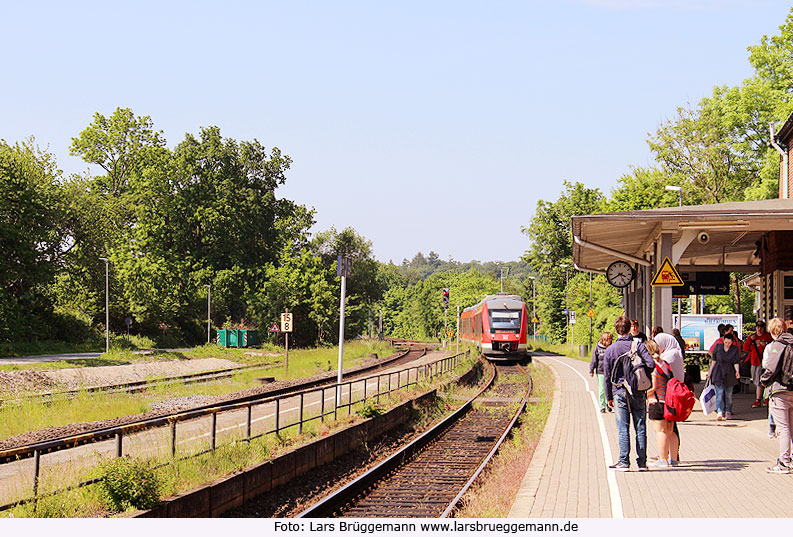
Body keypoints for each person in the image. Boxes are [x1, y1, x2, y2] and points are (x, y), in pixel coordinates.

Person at [604, 315, 655, 471]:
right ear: (629, 329)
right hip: (638, 391)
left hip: (619, 391)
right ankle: (642, 463)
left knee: (623, 428)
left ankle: (624, 462)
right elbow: (651, 364)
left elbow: (607, 376)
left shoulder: (610, 350)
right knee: (640, 426)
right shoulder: (638, 345)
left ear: (616, 330)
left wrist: (609, 397)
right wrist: (641, 375)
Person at [760, 317, 793, 473]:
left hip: (780, 390)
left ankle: (784, 462)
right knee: (791, 427)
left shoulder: (776, 345)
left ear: (772, 331)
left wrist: (763, 381)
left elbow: (770, 367)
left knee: (784, 428)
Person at [645, 339, 679, 468]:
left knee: (661, 431)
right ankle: (674, 459)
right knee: (671, 431)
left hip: (657, 401)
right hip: (670, 401)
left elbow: (653, 387)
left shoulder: (652, 365)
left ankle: (663, 459)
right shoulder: (664, 363)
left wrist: (644, 394)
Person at [707, 333, 740, 420]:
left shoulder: (735, 349)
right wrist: (710, 373)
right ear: (723, 341)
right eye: (726, 342)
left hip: (730, 373)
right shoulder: (718, 347)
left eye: (729, 343)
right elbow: (713, 361)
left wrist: (737, 372)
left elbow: (736, 362)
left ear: (732, 342)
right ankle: (719, 411)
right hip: (718, 372)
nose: (727, 344)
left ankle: (728, 410)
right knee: (719, 393)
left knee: (728, 395)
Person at [743, 320, 773, 408]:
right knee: (757, 382)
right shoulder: (752, 337)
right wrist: (749, 340)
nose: (759, 329)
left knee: (763, 381)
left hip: (764, 362)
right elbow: (745, 348)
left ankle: (761, 399)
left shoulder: (768, 337)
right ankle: (760, 398)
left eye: (761, 327)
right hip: (754, 362)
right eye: (757, 327)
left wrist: (765, 345)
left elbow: (773, 349)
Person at [589, 332, 613, 413]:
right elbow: (594, 360)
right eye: (609, 340)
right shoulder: (598, 348)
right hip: (601, 371)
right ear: (604, 340)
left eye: (611, 339)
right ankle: (602, 406)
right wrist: (591, 370)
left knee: (610, 388)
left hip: (610, 371)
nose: (610, 341)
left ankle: (608, 403)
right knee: (602, 389)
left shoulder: (612, 347)